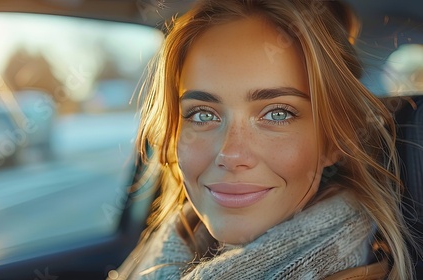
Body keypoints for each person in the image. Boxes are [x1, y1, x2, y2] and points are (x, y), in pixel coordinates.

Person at [112, 0, 417, 279]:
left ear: (334, 141)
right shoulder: (168, 244)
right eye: (203, 115)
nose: (230, 154)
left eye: (277, 114)